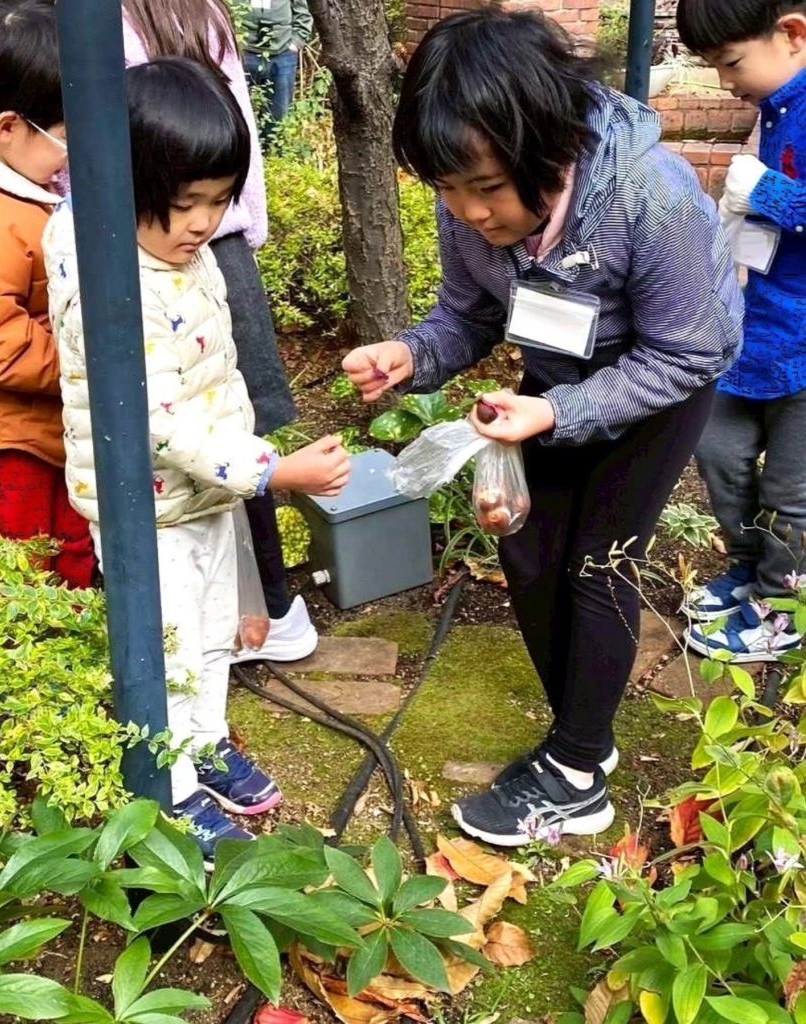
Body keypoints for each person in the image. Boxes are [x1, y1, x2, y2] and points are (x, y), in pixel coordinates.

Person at [343, 9, 743, 846]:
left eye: (487, 188)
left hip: (661, 384)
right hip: (558, 375)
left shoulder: (651, 196)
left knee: (599, 563)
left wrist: (559, 412)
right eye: (447, 189)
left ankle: (576, 772)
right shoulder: (469, 203)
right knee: (525, 545)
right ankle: (582, 722)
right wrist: (413, 354)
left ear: (549, 145)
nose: (469, 212)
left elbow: (689, 352)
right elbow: (469, 315)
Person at [44, 57, 350, 862]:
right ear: (126, 186)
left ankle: (205, 743)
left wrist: (248, 457)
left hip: (205, 491)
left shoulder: (176, 251)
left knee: (215, 632)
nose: (204, 222)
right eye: (186, 204)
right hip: (148, 507)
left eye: (219, 201)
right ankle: (169, 789)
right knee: (168, 649)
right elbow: (156, 418)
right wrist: (272, 471)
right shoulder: (112, 281)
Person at [120, 0, 318, 663]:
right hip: (193, 246)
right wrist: (238, 222)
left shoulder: (123, 20)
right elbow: (164, 420)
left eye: (216, 198)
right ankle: (254, 616)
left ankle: (256, 614)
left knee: (229, 416)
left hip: (172, 244)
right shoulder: (195, 11)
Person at [676, 0, 806, 662]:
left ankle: (784, 608)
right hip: (760, 328)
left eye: (731, 63)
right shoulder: (780, 107)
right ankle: (749, 570)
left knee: (791, 490)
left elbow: (781, 199)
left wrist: (766, 194)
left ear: (792, 34)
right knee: (717, 447)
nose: (727, 84)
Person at [0, 0, 95, 589]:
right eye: (65, 139)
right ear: (8, 128)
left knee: (70, 551)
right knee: (23, 571)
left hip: (47, 432)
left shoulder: (26, 194)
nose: (73, 155)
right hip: (12, 448)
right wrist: (81, 366)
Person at [242, 0, 312, 142]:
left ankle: (273, 150)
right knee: (239, 110)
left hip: (282, 54)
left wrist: (296, 42)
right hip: (244, 52)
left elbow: (303, 13)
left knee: (278, 116)